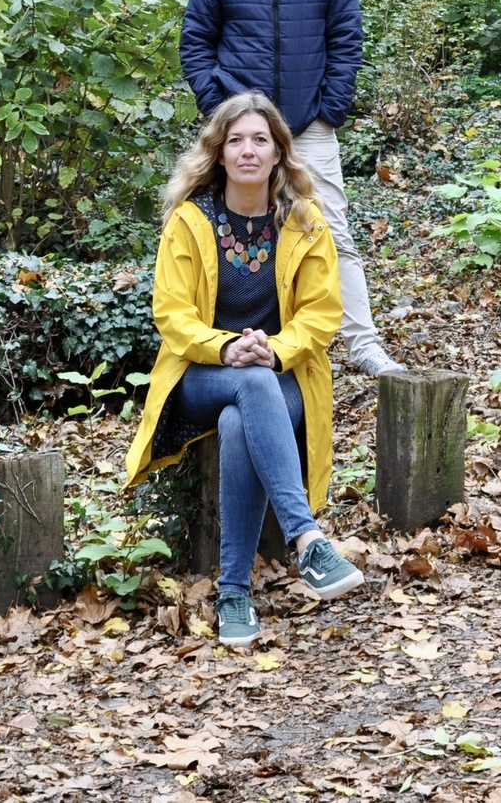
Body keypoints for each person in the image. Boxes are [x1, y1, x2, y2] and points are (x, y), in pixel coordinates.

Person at [124, 92, 364, 647]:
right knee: (247, 385)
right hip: (201, 374)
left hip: (284, 375)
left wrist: (276, 350)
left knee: (242, 417)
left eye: (260, 140)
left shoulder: (305, 220)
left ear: (279, 152)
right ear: (219, 152)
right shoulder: (191, 220)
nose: (248, 150)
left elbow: (323, 313)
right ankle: (307, 541)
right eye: (236, 140)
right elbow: (172, 313)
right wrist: (228, 347)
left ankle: (233, 592)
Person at [179, 0, 404, 377]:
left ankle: (363, 345)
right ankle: (229, 342)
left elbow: (346, 42)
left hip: (309, 126)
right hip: (241, 128)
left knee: (332, 232)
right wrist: (221, 114)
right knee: (222, 229)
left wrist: (331, 108)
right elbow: (196, 44)